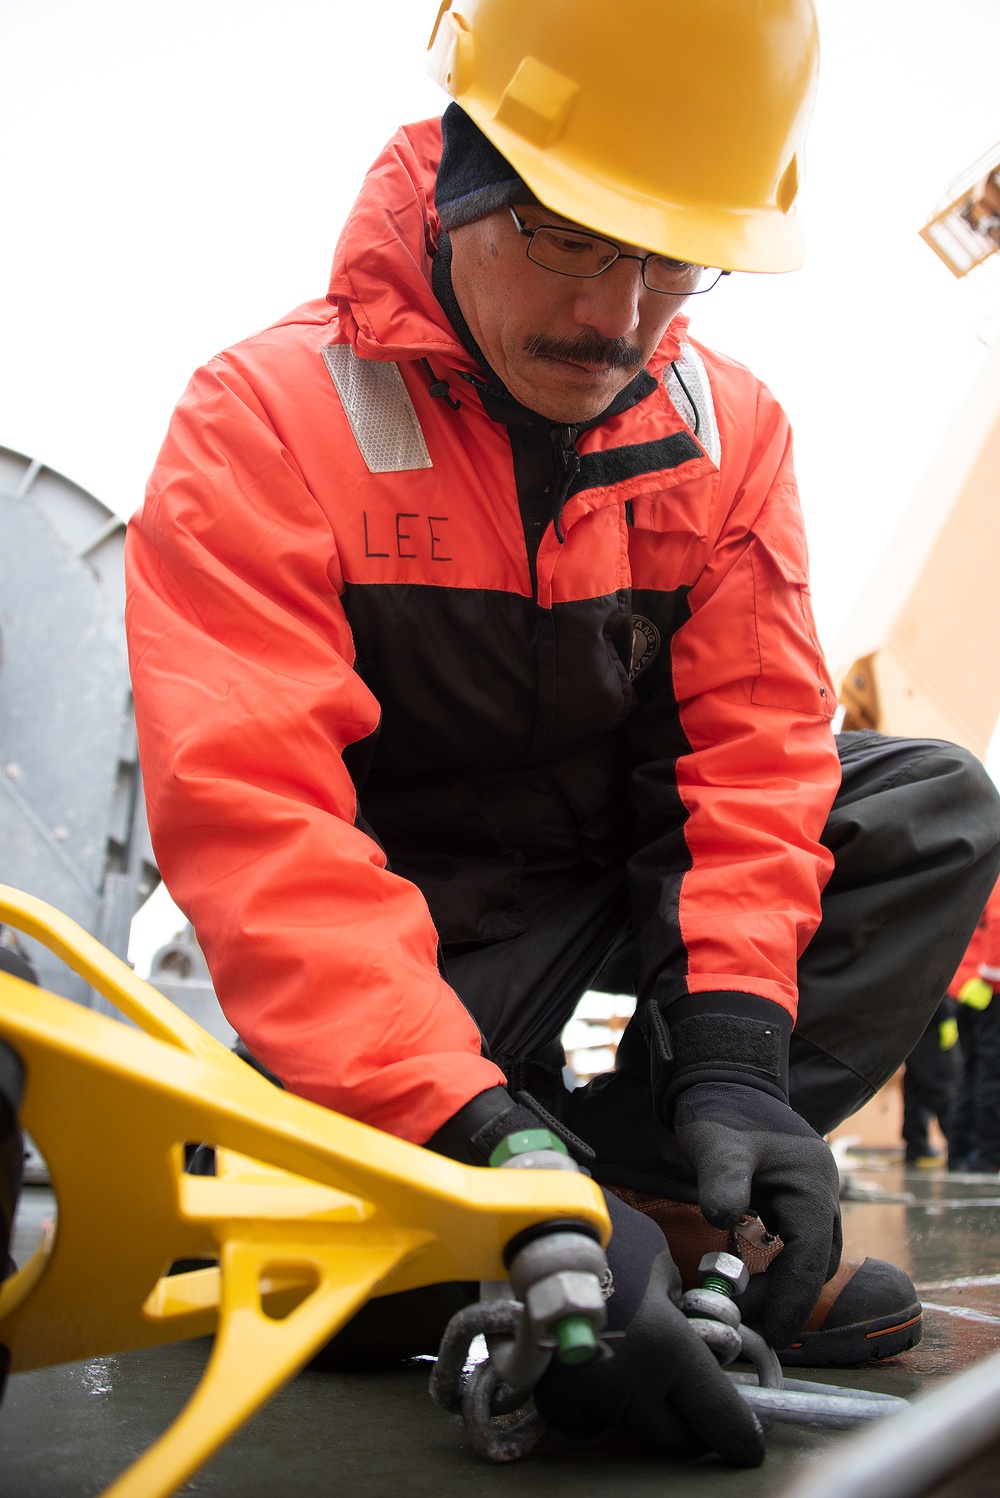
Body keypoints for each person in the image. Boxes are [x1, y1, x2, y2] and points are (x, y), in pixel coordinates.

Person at [124, 0, 1000, 1461]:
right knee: (298, 1260)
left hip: (602, 893)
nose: (621, 316)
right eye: (571, 236)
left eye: (673, 258)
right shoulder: (264, 420)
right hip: (406, 947)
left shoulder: (734, 433)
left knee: (930, 807)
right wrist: (490, 1152)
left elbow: (758, 760)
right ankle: (510, 1217)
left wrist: (730, 1064)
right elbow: (264, 828)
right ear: (464, 174)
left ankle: (657, 1193)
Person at [949, 879, 1000, 1173]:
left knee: (972, 1073)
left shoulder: (981, 879)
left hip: (963, 987)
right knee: (991, 1074)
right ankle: (988, 1157)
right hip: (987, 990)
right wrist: (990, 978)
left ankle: (961, 1153)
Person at [901, 997, 961, 1166]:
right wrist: (947, 1014)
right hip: (933, 1022)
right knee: (941, 1089)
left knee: (915, 1091)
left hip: (912, 1025)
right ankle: (958, 1149)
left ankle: (916, 1148)